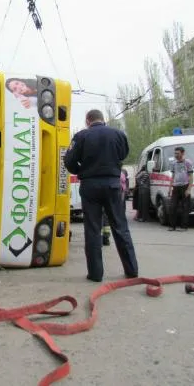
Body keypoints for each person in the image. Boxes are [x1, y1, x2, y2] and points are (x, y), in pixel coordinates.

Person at [64, 109, 138, 282]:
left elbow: (68, 161)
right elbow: (123, 154)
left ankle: (96, 274)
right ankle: (132, 270)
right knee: (120, 227)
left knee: (92, 229)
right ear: (103, 119)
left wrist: (81, 170)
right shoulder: (118, 134)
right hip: (113, 184)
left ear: (87, 121)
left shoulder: (81, 136)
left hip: (90, 186)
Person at [168, 146, 194, 231]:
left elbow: (191, 176)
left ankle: (184, 227)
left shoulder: (188, 163)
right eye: (175, 153)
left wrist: (189, 189)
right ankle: (172, 226)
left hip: (185, 186)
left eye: (178, 153)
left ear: (183, 153)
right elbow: (173, 176)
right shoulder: (174, 163)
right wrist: (170, 188)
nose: (176, 155)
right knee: (172, 207)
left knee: (185, 207)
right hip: (176, 187)